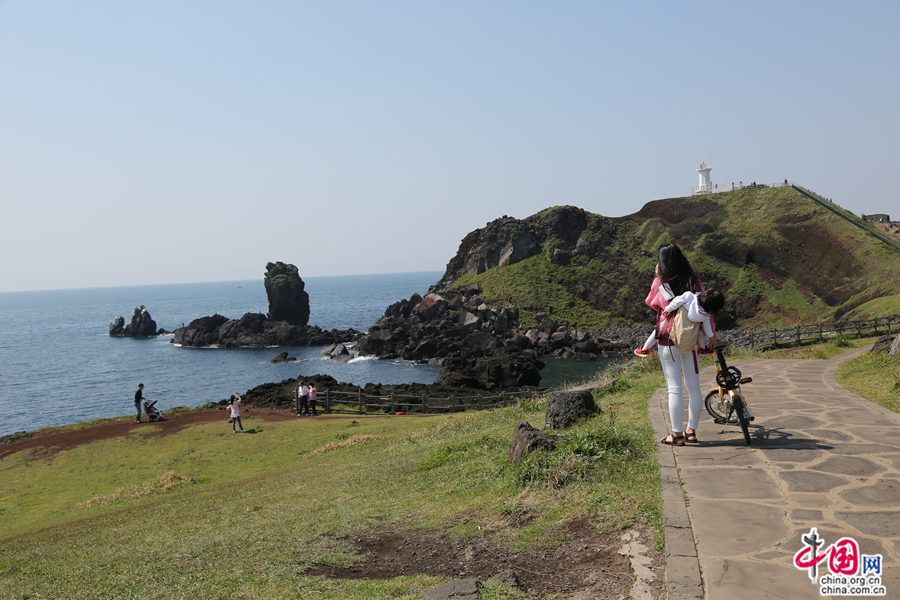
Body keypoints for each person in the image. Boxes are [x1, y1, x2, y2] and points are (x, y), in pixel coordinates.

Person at [646, 244, 715, 446]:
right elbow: (706, 310)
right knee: (693, 387)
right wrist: (711, 337)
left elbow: (652, 302)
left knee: (674, 389)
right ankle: (691, 431)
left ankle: (676, 435)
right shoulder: (694, 281)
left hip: (668, 339)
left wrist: (659, 278)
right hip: (691, 339)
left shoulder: (660, 282)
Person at [636, 289, 723, 355]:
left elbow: (677, 301)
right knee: (700, 332)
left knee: (658, 330)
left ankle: (645, 349)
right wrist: (711, 337)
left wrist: (668, 309)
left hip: (678, 324)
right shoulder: (705, 315)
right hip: (691, 330)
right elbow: (707, 327)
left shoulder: (690, 297)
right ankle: (703, 349)